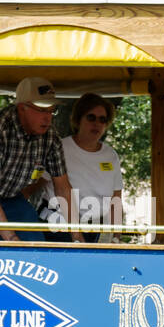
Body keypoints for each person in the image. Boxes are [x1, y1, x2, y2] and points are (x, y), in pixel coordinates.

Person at [0, 77, 77, 242]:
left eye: (52, 110)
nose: (48, 118)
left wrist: (78, 236)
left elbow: (63, 188)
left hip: (11, 198)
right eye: (42, 110)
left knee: (36, 249)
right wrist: (12, 238)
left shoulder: (50, 136)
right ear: (22, 108)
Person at [39, 93, 124, 243]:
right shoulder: (59, 148)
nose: (97, 123)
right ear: (78, 119)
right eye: (91, 117)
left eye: (102, 120)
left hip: (97, 230)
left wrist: (116, 236)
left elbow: (116, 199)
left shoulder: (111, 155)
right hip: (58, 226)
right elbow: (35, 184)